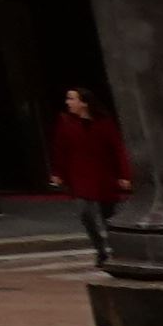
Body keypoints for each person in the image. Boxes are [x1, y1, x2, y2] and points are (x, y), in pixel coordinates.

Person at [51, 89, 134, 267]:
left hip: (103, 175)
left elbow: (117, 149)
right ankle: (100, 249)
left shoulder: (104, 123)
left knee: (108, 215)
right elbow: (60, 149)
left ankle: (115, 248)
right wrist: (58, 173)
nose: (68, 102)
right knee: (85, 213)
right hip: (79, 175)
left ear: (84, 102)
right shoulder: (66, 122)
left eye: (72, 99)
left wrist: (124, 175)